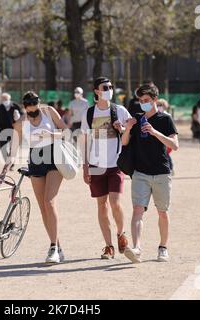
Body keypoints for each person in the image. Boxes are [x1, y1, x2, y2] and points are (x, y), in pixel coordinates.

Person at [6, 91, 67, 264]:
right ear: (25, 108)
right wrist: (8, 163)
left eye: (36, 110)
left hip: (54, 158)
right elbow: (14, 146)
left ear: (39, 104)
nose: (34, 114)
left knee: (50, 202)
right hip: (35, 159)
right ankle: (59, 247)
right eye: (31, 111)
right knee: (43, 207)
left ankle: (53, 247)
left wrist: (51, 135)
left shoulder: (48, 111)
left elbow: (66, 132)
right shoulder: (21, 122)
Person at [121, 82, 179, 263]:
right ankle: (137, 248)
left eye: (146, 100)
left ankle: (163, 247)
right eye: (140, 100)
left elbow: (174, 145)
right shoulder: (137, 119)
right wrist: (128, 128)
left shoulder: (165, 119)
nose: (143, 103)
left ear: (155, 99)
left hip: (161, 172)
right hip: (140, 173)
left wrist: (155, 132)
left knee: (162, 211)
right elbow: (124, 143)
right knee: (137, 210)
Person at [80, 77, 131, 260]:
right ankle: (108, 246)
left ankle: (121, 234)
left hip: (116, 164)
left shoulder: (120, 110)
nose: (109, 89)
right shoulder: (88, 113)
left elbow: (130, 134)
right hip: (95, 164)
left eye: (110, 87)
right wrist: (85, 165)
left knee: (115, 203)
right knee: (102, 206)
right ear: (96, 91)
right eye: (105, 87)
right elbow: (85, 140)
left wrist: (123, 128)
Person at [0, 93, 21, 168]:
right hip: (3, 129)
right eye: (3, 99)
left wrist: (17, 123)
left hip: (14, 129)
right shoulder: (0, 107)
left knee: (13, 147)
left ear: (9, 99)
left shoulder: (15, 105)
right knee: (2, 145)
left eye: (5, 99)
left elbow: (22, 115)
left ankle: (12, 162)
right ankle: (8, 160)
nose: (4, 101)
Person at [157, 99, 174, 174]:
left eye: (161, 105)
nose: (159, 107)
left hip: (166, 137)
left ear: (165, 106)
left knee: (166, 153)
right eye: (158, 105)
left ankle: (170, 168)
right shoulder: (155, 115)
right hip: (158, 137)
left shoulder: (168, 116)